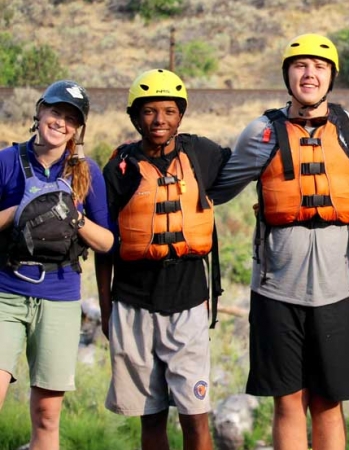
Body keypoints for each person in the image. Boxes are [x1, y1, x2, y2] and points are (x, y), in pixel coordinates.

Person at [208, 33, 349, 450]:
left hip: (336, 290)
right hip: (276, 289)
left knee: (329, 403)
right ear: (287, 74)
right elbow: (217, 188)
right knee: (288, 402)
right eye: (300, 66)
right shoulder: (262, 131)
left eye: (319, 67)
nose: (309, 74)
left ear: (332, 76)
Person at [98, 69, 230, 450]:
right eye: (150, 111)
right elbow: (106, 248)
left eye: (169, 111)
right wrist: (107, 312)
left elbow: (241, 169)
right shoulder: (119, 169)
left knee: (195, 417)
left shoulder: (201, 153)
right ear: (135, 117)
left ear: (181, 115)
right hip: (133, 302)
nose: (159, 120)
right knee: (151, 417)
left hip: (188, 302)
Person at [0, 80, 113, 449]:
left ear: (78, 128)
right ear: (39, 111)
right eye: (55, 112)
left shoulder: (86, 171)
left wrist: (75, 219)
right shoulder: (7, 161)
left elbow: (109, 242)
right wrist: (22, 211)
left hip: (60, 296)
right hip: (6, 291)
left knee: (47, 415)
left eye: (71, 118)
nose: (60, 122)